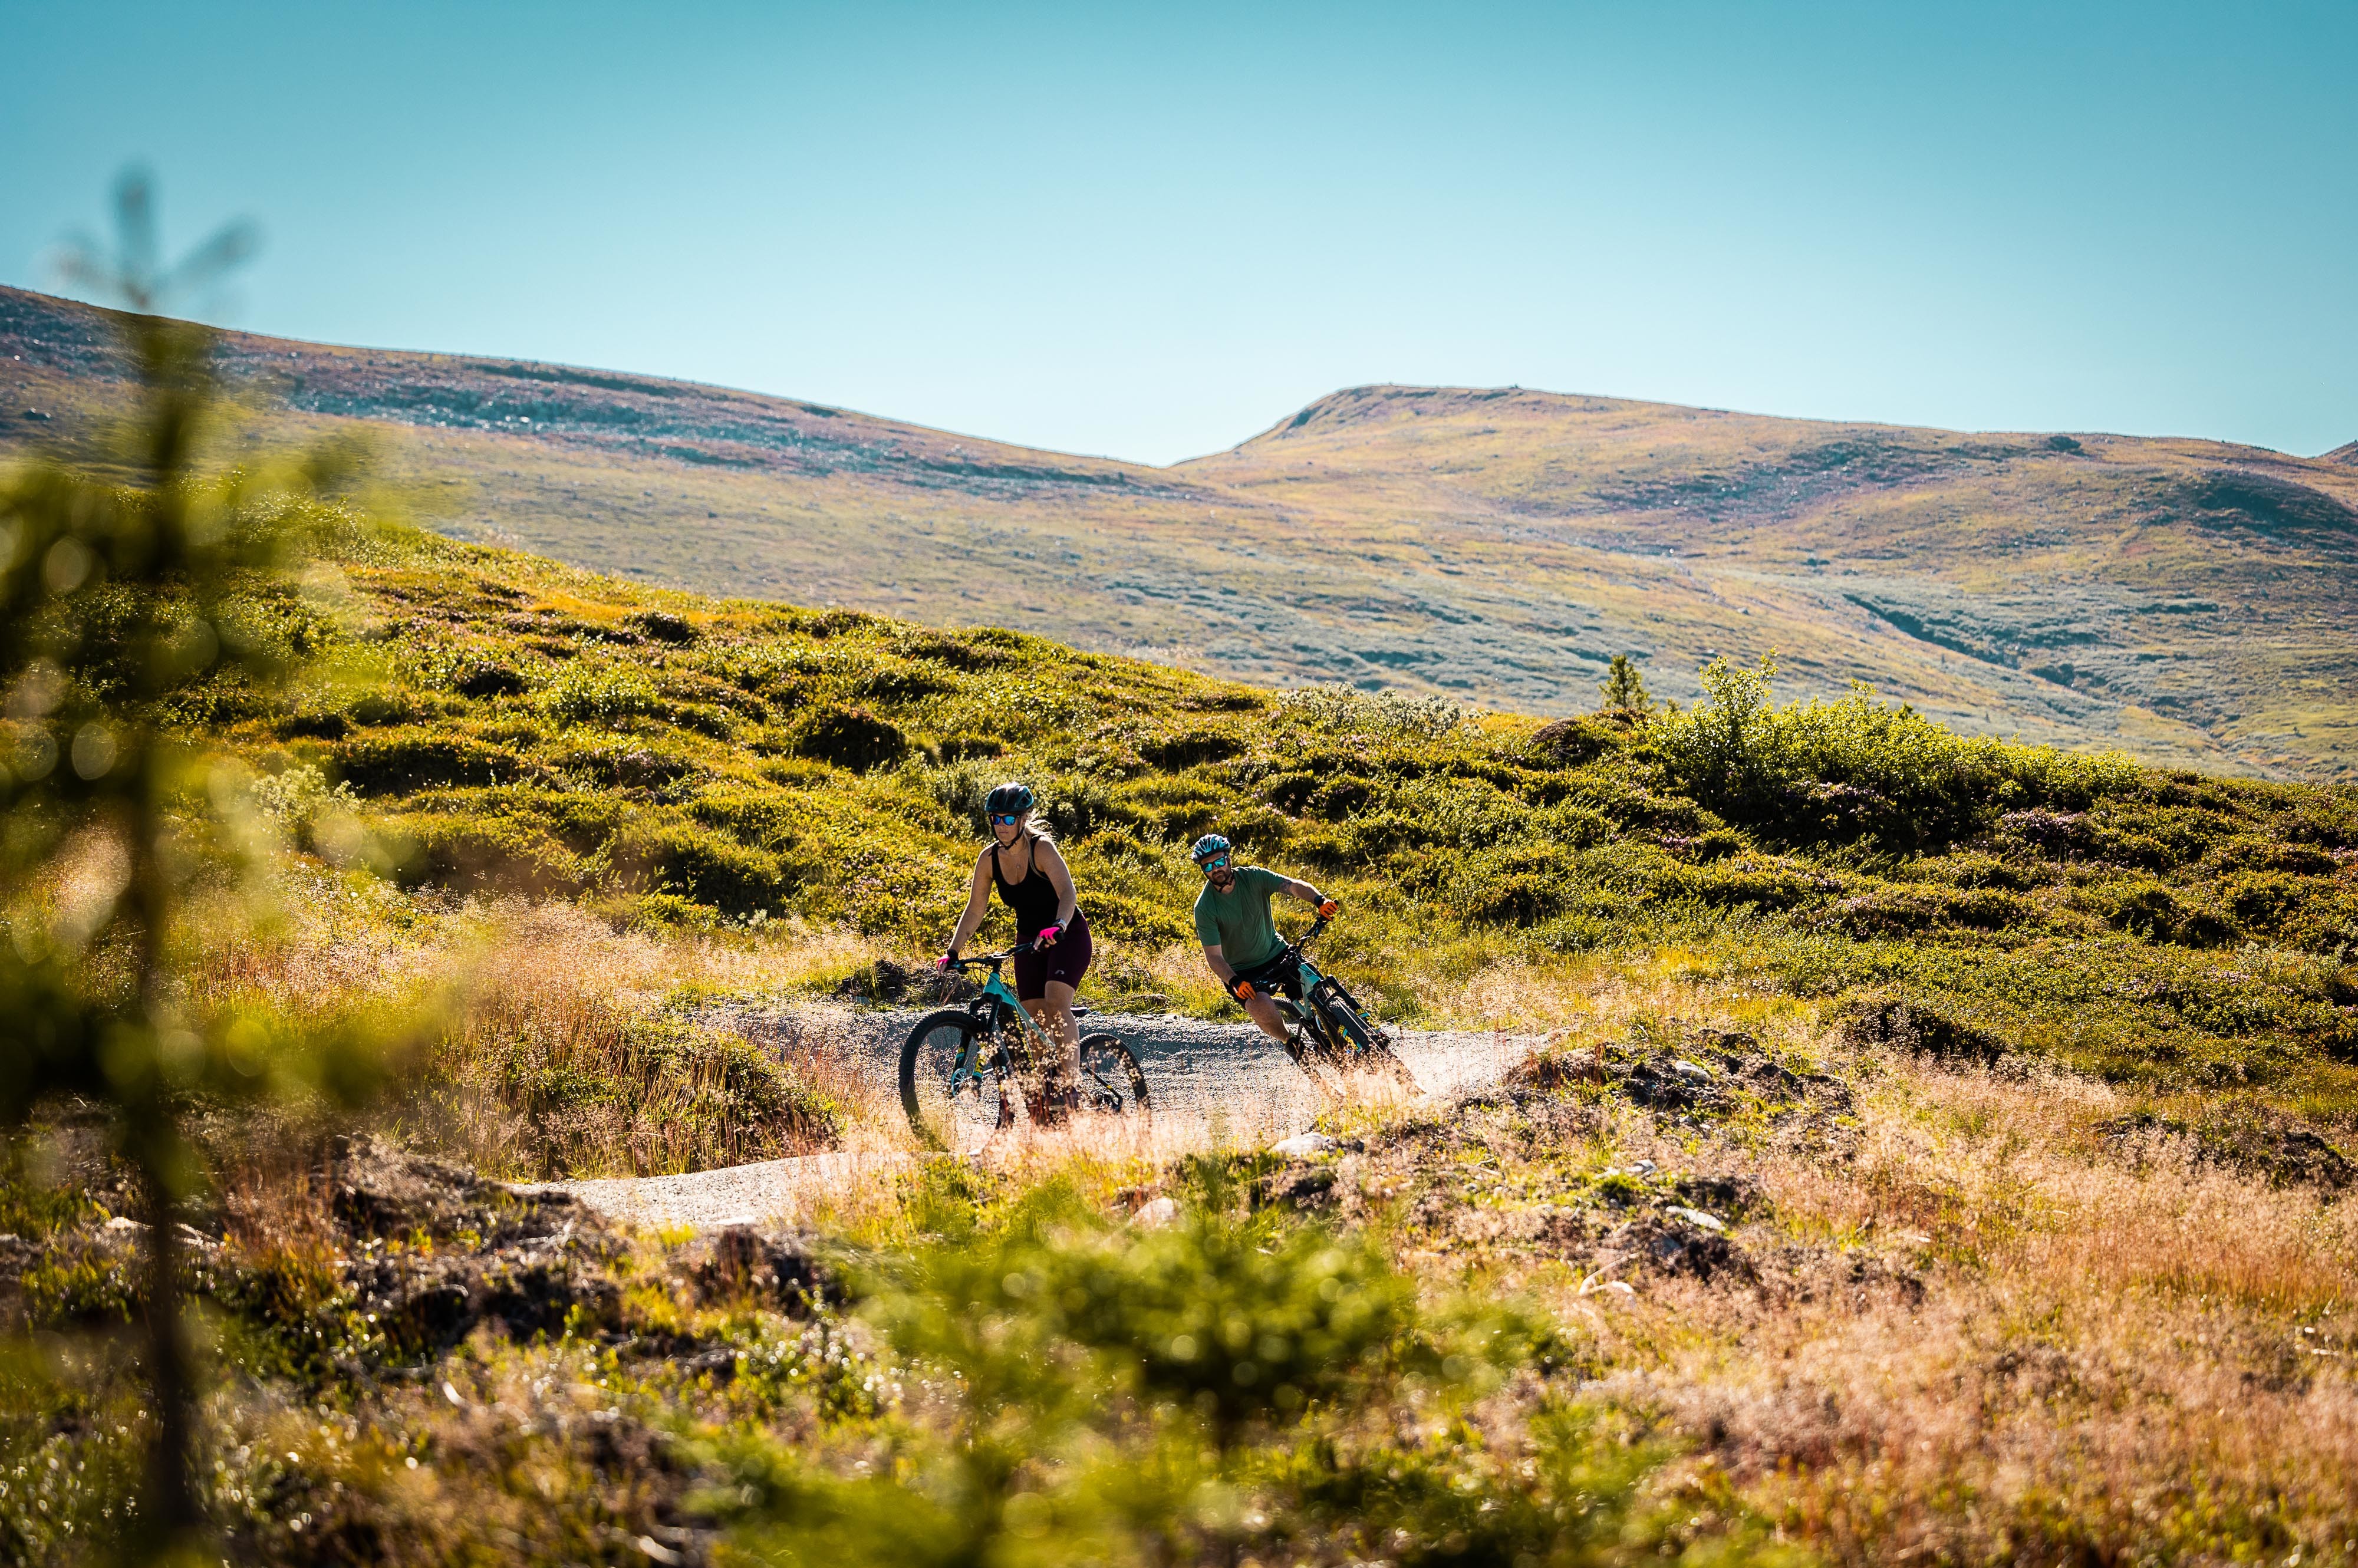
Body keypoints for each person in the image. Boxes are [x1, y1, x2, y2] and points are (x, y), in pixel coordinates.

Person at [941, 782, 1091, 1114]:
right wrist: (953, 952)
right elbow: (975, 909)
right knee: (1032, 1016)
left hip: (1067, 933)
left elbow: (1068, 894)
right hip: (1029, 940)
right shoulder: (989, 859)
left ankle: (1071, 1088)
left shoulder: (1042, 849)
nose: (1002, 825)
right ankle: (1048, 1097)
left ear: (1023, 820)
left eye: (1009, 819)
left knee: (1055, 1003)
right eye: (996, 818)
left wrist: (1059, 925)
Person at [1189, 833, 1337, 1049]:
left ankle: (1340, 1030)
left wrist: (1319, 901)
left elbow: (1292, 886)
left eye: (1219, 862)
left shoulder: (1254, 877)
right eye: (1208, 867)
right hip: (1243, 973)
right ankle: (1292, 1043)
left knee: (1317, 986)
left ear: (1228, 859)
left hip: (1277, 952)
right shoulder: (1204, 907)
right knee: (1261, 1007)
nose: (1215, 869)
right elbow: (1214, 957)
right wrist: (1234, 981)